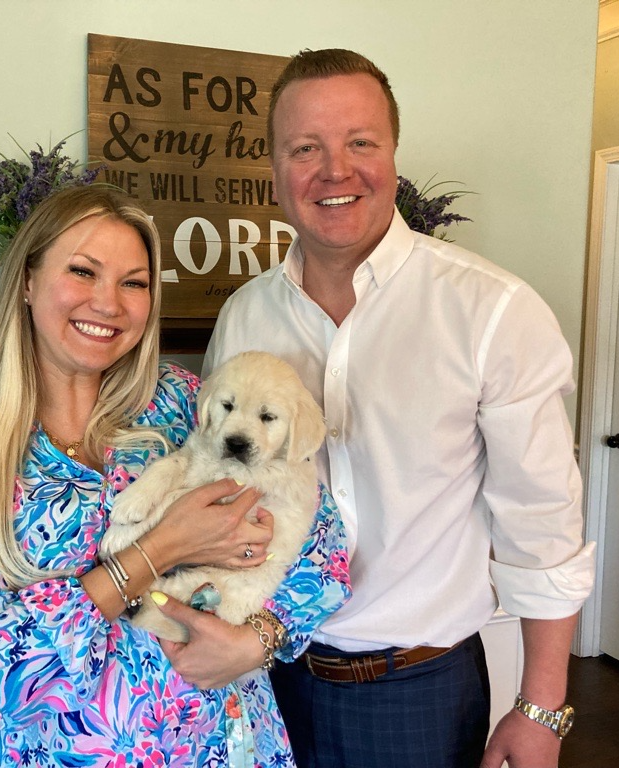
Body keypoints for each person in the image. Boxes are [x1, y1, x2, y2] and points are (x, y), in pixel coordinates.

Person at [203, 49, 596, 768]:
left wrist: (541, 708)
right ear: (274, 170)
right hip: (265, 677)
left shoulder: (491, 310)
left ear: (393, 154)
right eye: (305, 148)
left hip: (420, 690)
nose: (335, 169)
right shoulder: (243, 317)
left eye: (360, 142)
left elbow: (542, 523)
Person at [0, 184, 350, 768]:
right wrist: (161, 548)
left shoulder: (184, 403)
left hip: (230, 747)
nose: (109, 303)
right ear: (28, 281)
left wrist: (256, 639)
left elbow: (327, 551)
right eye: (83, 271)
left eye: (134, 282)